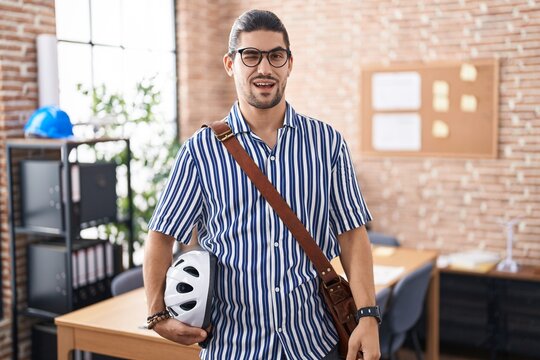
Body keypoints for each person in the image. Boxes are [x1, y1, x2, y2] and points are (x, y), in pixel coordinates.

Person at [143, 9, 380, 360]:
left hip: (314, 343)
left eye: (275, 56)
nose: (264, 69)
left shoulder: (327, 143)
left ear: (289, 64)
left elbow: (352, 235)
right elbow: (161, 236)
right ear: (230, 64)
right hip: (234, 347)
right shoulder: (200, 150)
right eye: (250, 56)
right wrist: (157, 314)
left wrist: (368, 316)